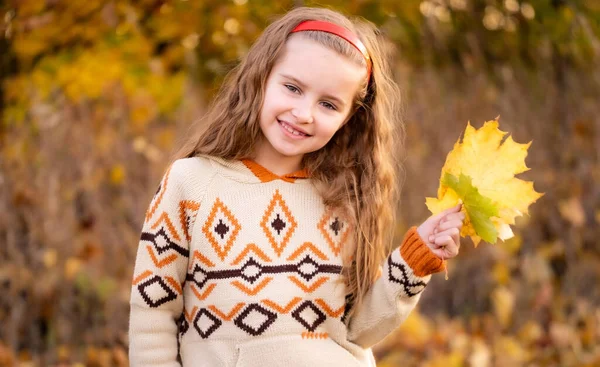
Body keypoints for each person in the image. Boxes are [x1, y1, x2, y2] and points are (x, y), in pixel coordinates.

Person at [129, 6, 464, 367]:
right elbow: (153, 314)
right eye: (292, 87)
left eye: (328, 104)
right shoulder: (191, 184)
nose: (304, 113)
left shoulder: (344, 197)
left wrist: (413, 263)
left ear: (348, 118)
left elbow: (356, 330)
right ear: (261, 78)